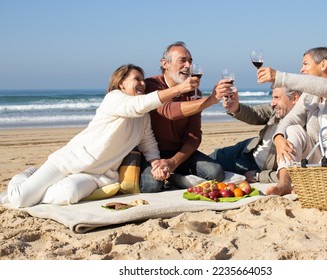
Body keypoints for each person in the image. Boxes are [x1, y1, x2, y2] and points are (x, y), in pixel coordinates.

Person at [2, 64, 199, 208]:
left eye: (143, 79)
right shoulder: (114, 98)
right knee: (20, 199)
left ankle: (37, 186)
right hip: (68, 162)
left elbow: (149, 144)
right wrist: (180, 89)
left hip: (99, 175)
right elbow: (138, 105)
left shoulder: (143, 118)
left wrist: (156, 162)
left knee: (68, 194)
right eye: (136, 79)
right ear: (121, 84)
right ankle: (28, 175)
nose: (142, 83)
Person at [257, 47, 327, 195]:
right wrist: (278, 137)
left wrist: (280, 77)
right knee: (292, 129)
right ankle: (285, 182)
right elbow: (292, 117)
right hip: (320, 158)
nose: (301, 69)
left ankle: (322, 184)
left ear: (323, 65)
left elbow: (326, 87)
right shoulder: (309, 94)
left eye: (305, 64)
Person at [140, 41, 234, 191]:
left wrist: (173, 162)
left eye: (190, 61)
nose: (188, 66)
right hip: (150, 153)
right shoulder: (151, 85)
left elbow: (194, 136)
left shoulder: (194, 93)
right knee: (152, 186)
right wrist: (211, 100)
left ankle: (174, 176)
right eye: (182, 60)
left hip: (178, 152)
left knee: (216, 173)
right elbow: (169, 111)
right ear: (165, 63)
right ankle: (175, 178)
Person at [209, 87, 301, 183]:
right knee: (215, 155)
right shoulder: (278, 110)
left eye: (277, 97)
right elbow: (255, 113)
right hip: (250, 147)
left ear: (294, 98)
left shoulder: (301, 129)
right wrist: (236, 108)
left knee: (213, 168)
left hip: (254, 165)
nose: (272, 103)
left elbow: (295, 173)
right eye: (272, 97)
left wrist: (258, 175)